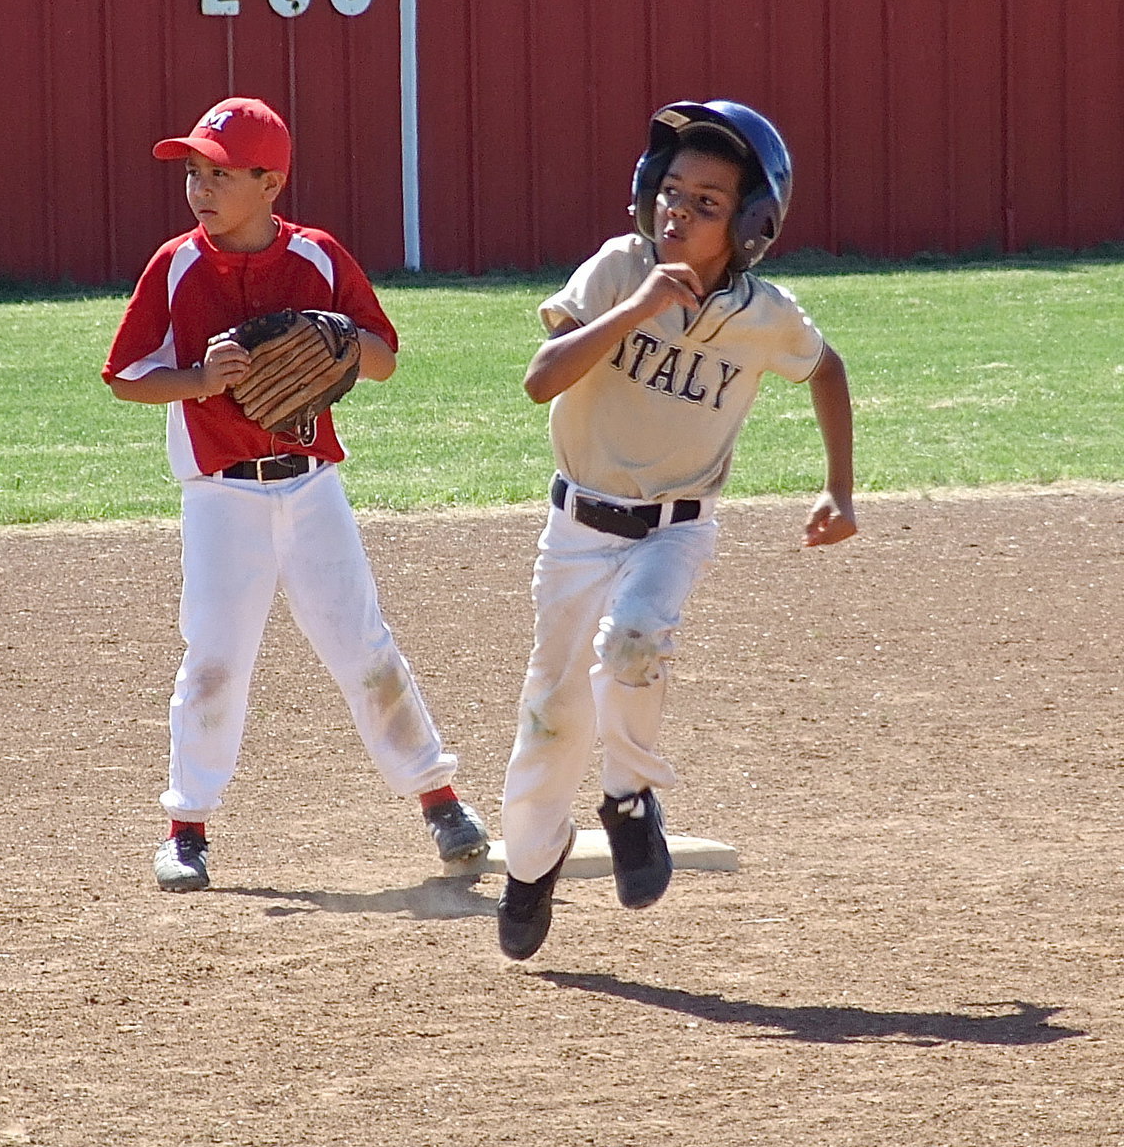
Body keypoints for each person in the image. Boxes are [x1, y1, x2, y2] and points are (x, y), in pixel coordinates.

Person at [497, 99, 858, 959]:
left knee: (634, 642)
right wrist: (637, 307)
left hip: (676, 529)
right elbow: (541, 379)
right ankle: (531, 867)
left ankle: (629, 800)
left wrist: (840, 490)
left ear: (753, 224)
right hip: (580, 528)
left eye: (707, 202)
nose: (678, 211)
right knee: (551, 721)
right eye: (671, 190)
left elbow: (827, 367)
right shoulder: (621, 269)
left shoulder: (764, 315)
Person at [101, 96, 488, 891]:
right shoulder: (175, 265)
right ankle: (186, 828)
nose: (200, 188)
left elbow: (382, 359)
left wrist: (343, 340)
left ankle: (439, 799)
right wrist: (199, 380)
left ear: (270, 180)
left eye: (220, 173)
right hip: (220, 496)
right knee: (214, 659)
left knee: (363, 646)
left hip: (312, 489)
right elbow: (125, 378)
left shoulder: (316, 258)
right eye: (193, 173)